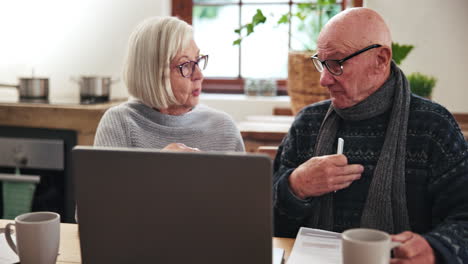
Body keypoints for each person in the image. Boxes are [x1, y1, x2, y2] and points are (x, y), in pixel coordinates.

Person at [273, 7, 468, 263]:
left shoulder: (433, 127)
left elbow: (463, 218)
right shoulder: (308, 123)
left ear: (380, 60)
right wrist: (295, 186)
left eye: (336, 64)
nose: (323, 79)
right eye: (322, 63)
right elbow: (264, 220)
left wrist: (434, 248)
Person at [93, 16, 244, 152]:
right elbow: (105, 184)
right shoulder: (119, 123)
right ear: (153, 73)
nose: (199, 75)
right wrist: (161, 166)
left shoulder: (224, 128)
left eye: (198, 61)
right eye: (185, 65)